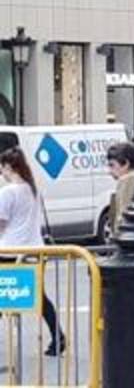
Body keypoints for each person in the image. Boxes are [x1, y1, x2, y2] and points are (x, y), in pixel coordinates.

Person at [0, 147, 66, 356]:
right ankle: (58, 337)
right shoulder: (33, 189)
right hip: (35, 249)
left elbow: (1, 224)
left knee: (4, 293)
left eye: (1, 168)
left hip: (10, 250)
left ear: (8, 167)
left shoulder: (7, 192)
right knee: (38, 295)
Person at [106, 141, 134, 234]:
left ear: (125, 163)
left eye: (112, 165)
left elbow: (123, 217)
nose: (109, 171)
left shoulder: (128, 180)